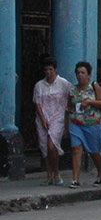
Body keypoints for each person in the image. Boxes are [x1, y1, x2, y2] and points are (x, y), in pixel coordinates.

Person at [68, 61, 101, 188]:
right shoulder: (72, 89)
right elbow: (69, 106)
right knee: (76, 149)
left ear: (88, 75)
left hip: (92, 123)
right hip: (76, 123)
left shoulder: (94, 86)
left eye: (83, 73)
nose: (80, 75)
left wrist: (89, 101)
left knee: (94, 151)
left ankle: (100, 173)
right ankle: (75, 179)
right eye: (78, 73)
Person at [33, 56, 71, 186]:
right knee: (44, 147)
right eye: (46, 70)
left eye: (50, 69)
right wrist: (43, 119)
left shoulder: (63, 84)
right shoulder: (39, 86)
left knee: (52, 145)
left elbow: (71, 98)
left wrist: (67, 115)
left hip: (57, 118)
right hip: (43, 118)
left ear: (55, 69)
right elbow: (37, 104)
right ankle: (49, 175)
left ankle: (56, 172)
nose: (48, 72)